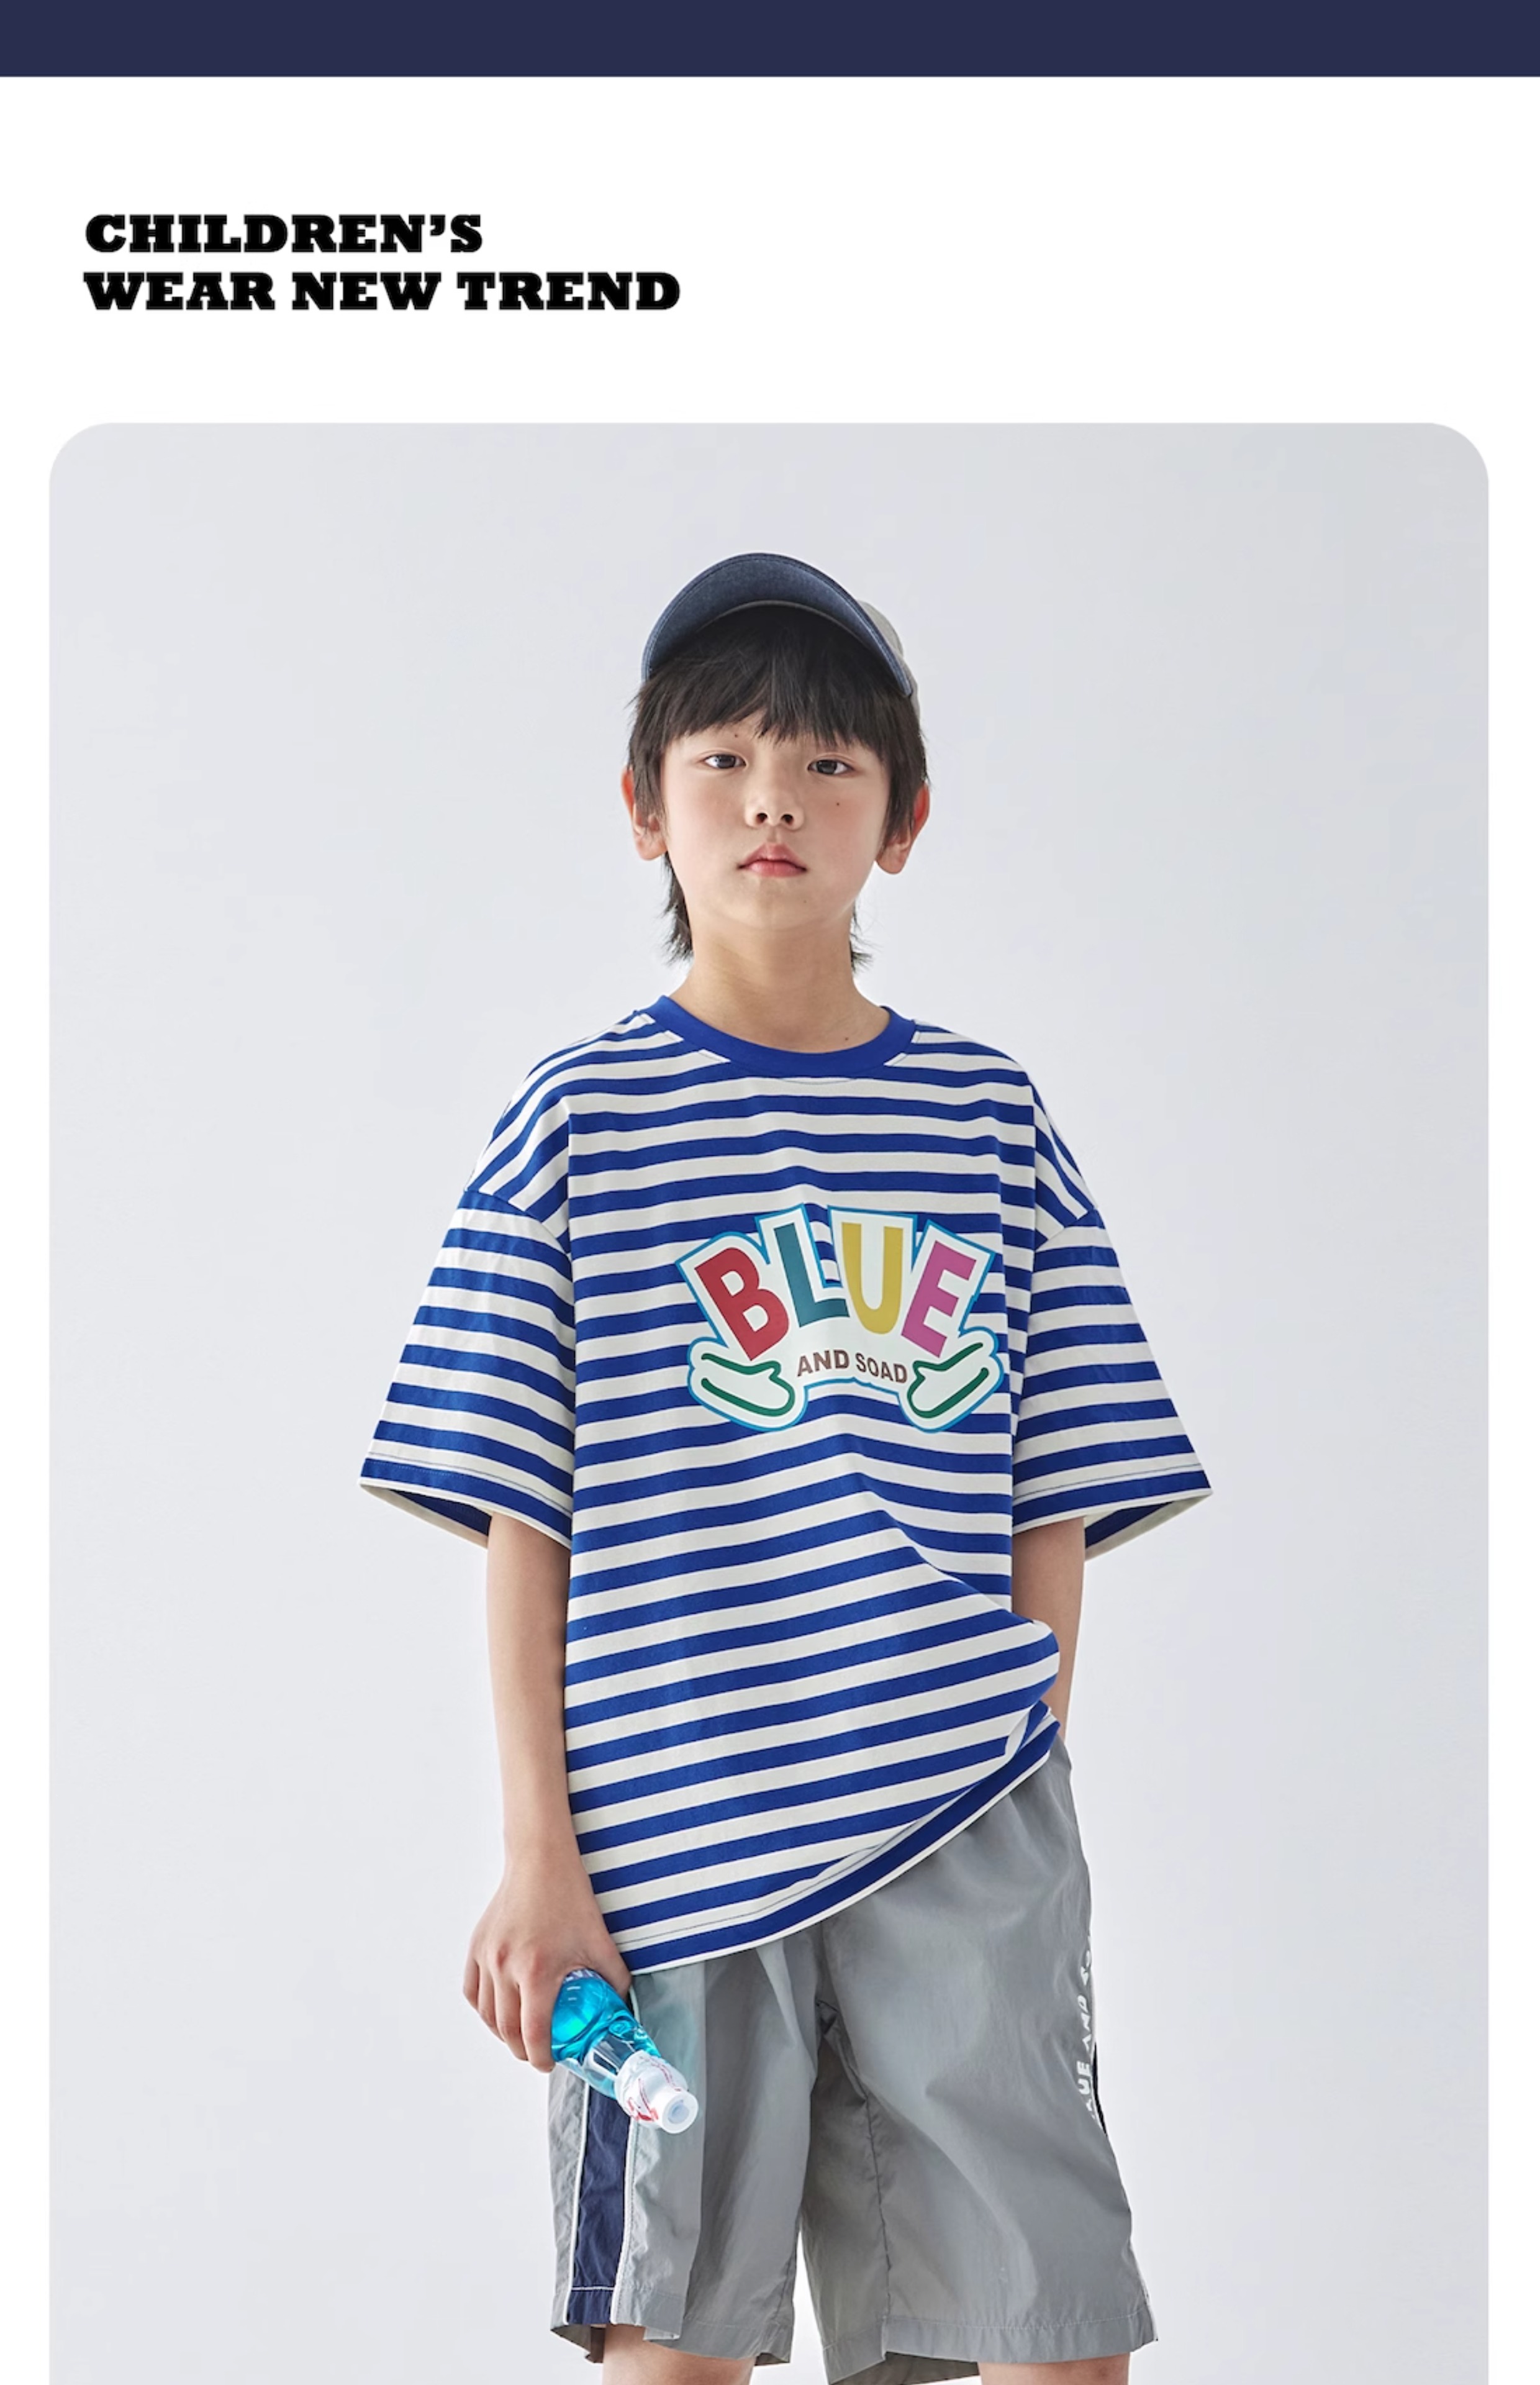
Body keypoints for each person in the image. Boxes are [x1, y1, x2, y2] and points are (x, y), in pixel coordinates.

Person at [360, 553, 1212, 2385]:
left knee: (1049, 2333)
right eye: (725, 759)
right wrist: (538, 1858)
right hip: (668, 1832)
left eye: (829, 764)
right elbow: (521, 1511)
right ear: (643, 807)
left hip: (958, 1819)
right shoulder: (579, 1119)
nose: (773, 801)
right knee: (672, 2340)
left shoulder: (987, 1116)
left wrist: (1019, 1748)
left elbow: (1058, 1486)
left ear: (903, 821)